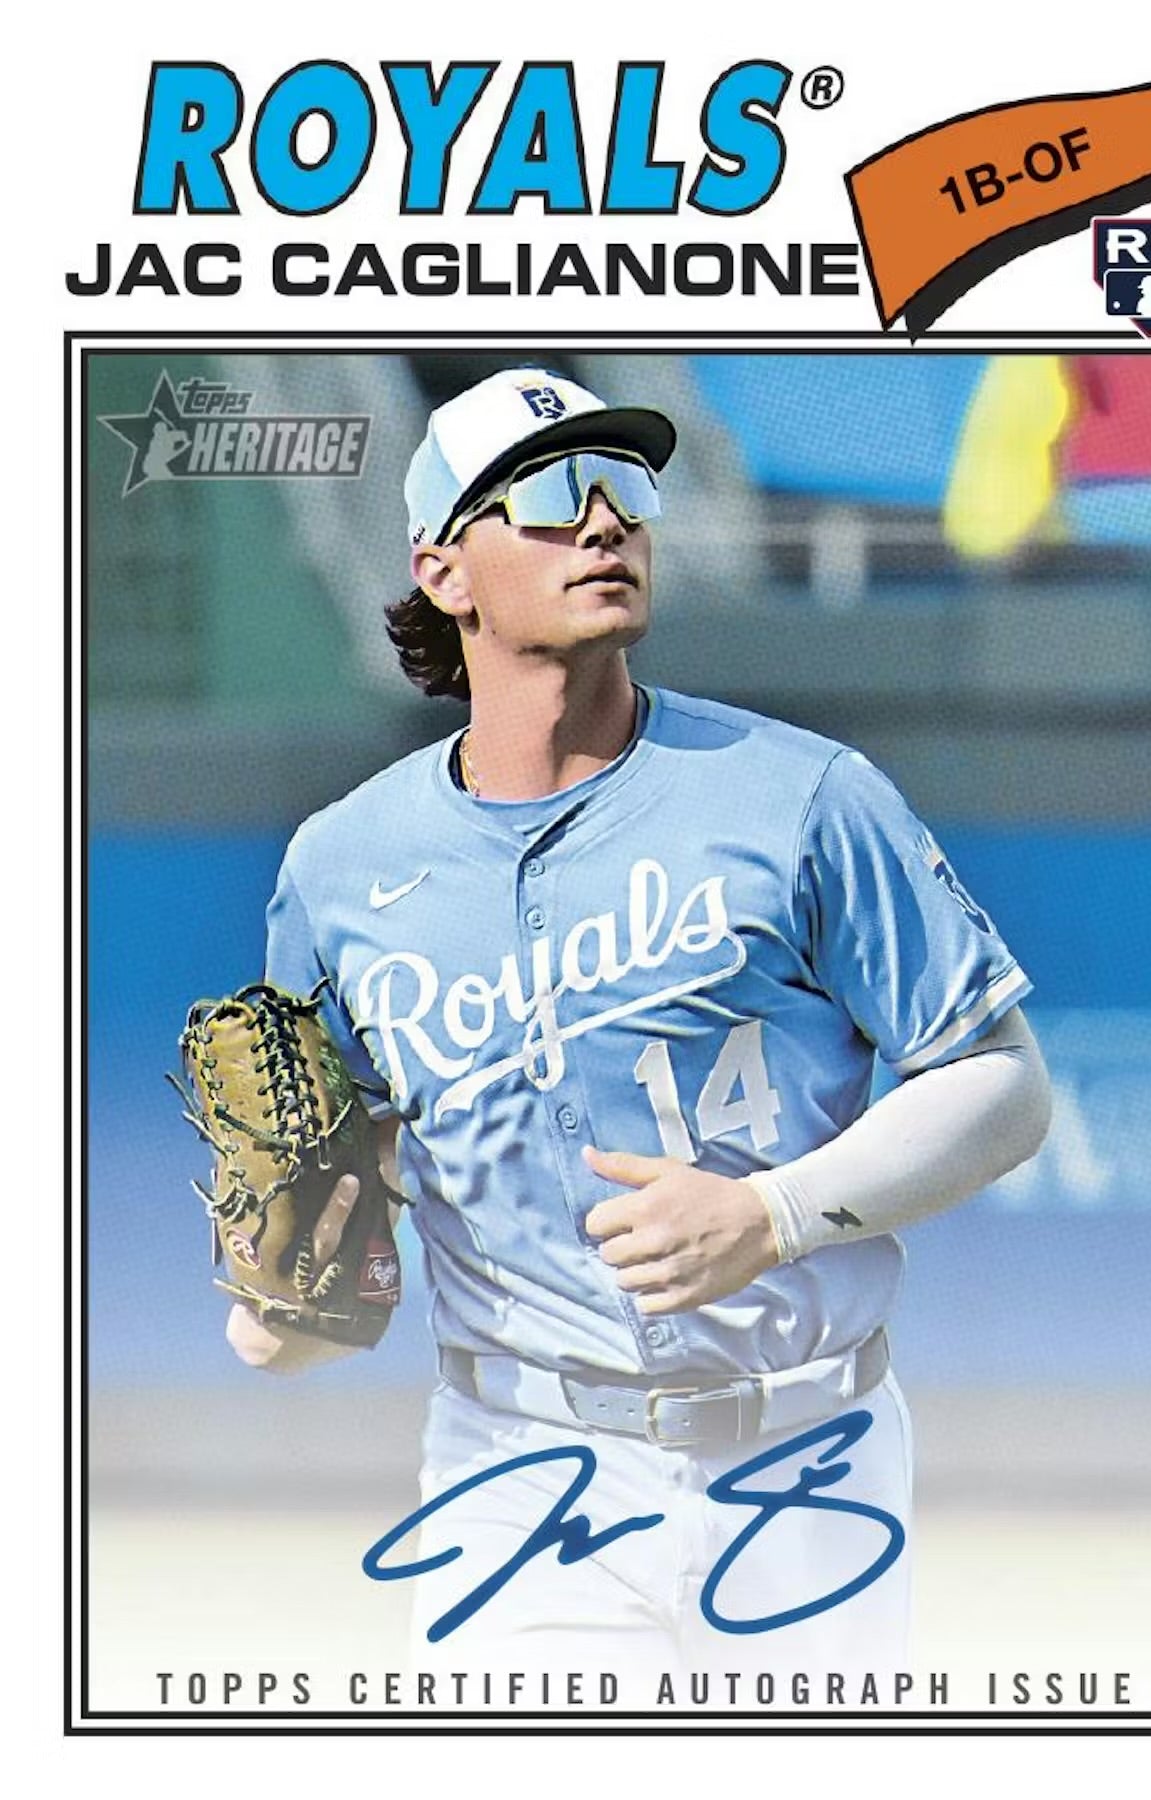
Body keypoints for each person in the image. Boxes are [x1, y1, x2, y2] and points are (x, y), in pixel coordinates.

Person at [229, 365, 1052, 1692]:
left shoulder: (802, 797)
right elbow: (344, 1217)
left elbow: (1001, 1084)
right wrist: (295, 1304)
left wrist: (774, 1213)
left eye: (624, 485)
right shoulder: (339, 868)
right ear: (444, 571)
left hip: (807, 1450)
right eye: (552, 495)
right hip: (516, 1465)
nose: (606, 519)